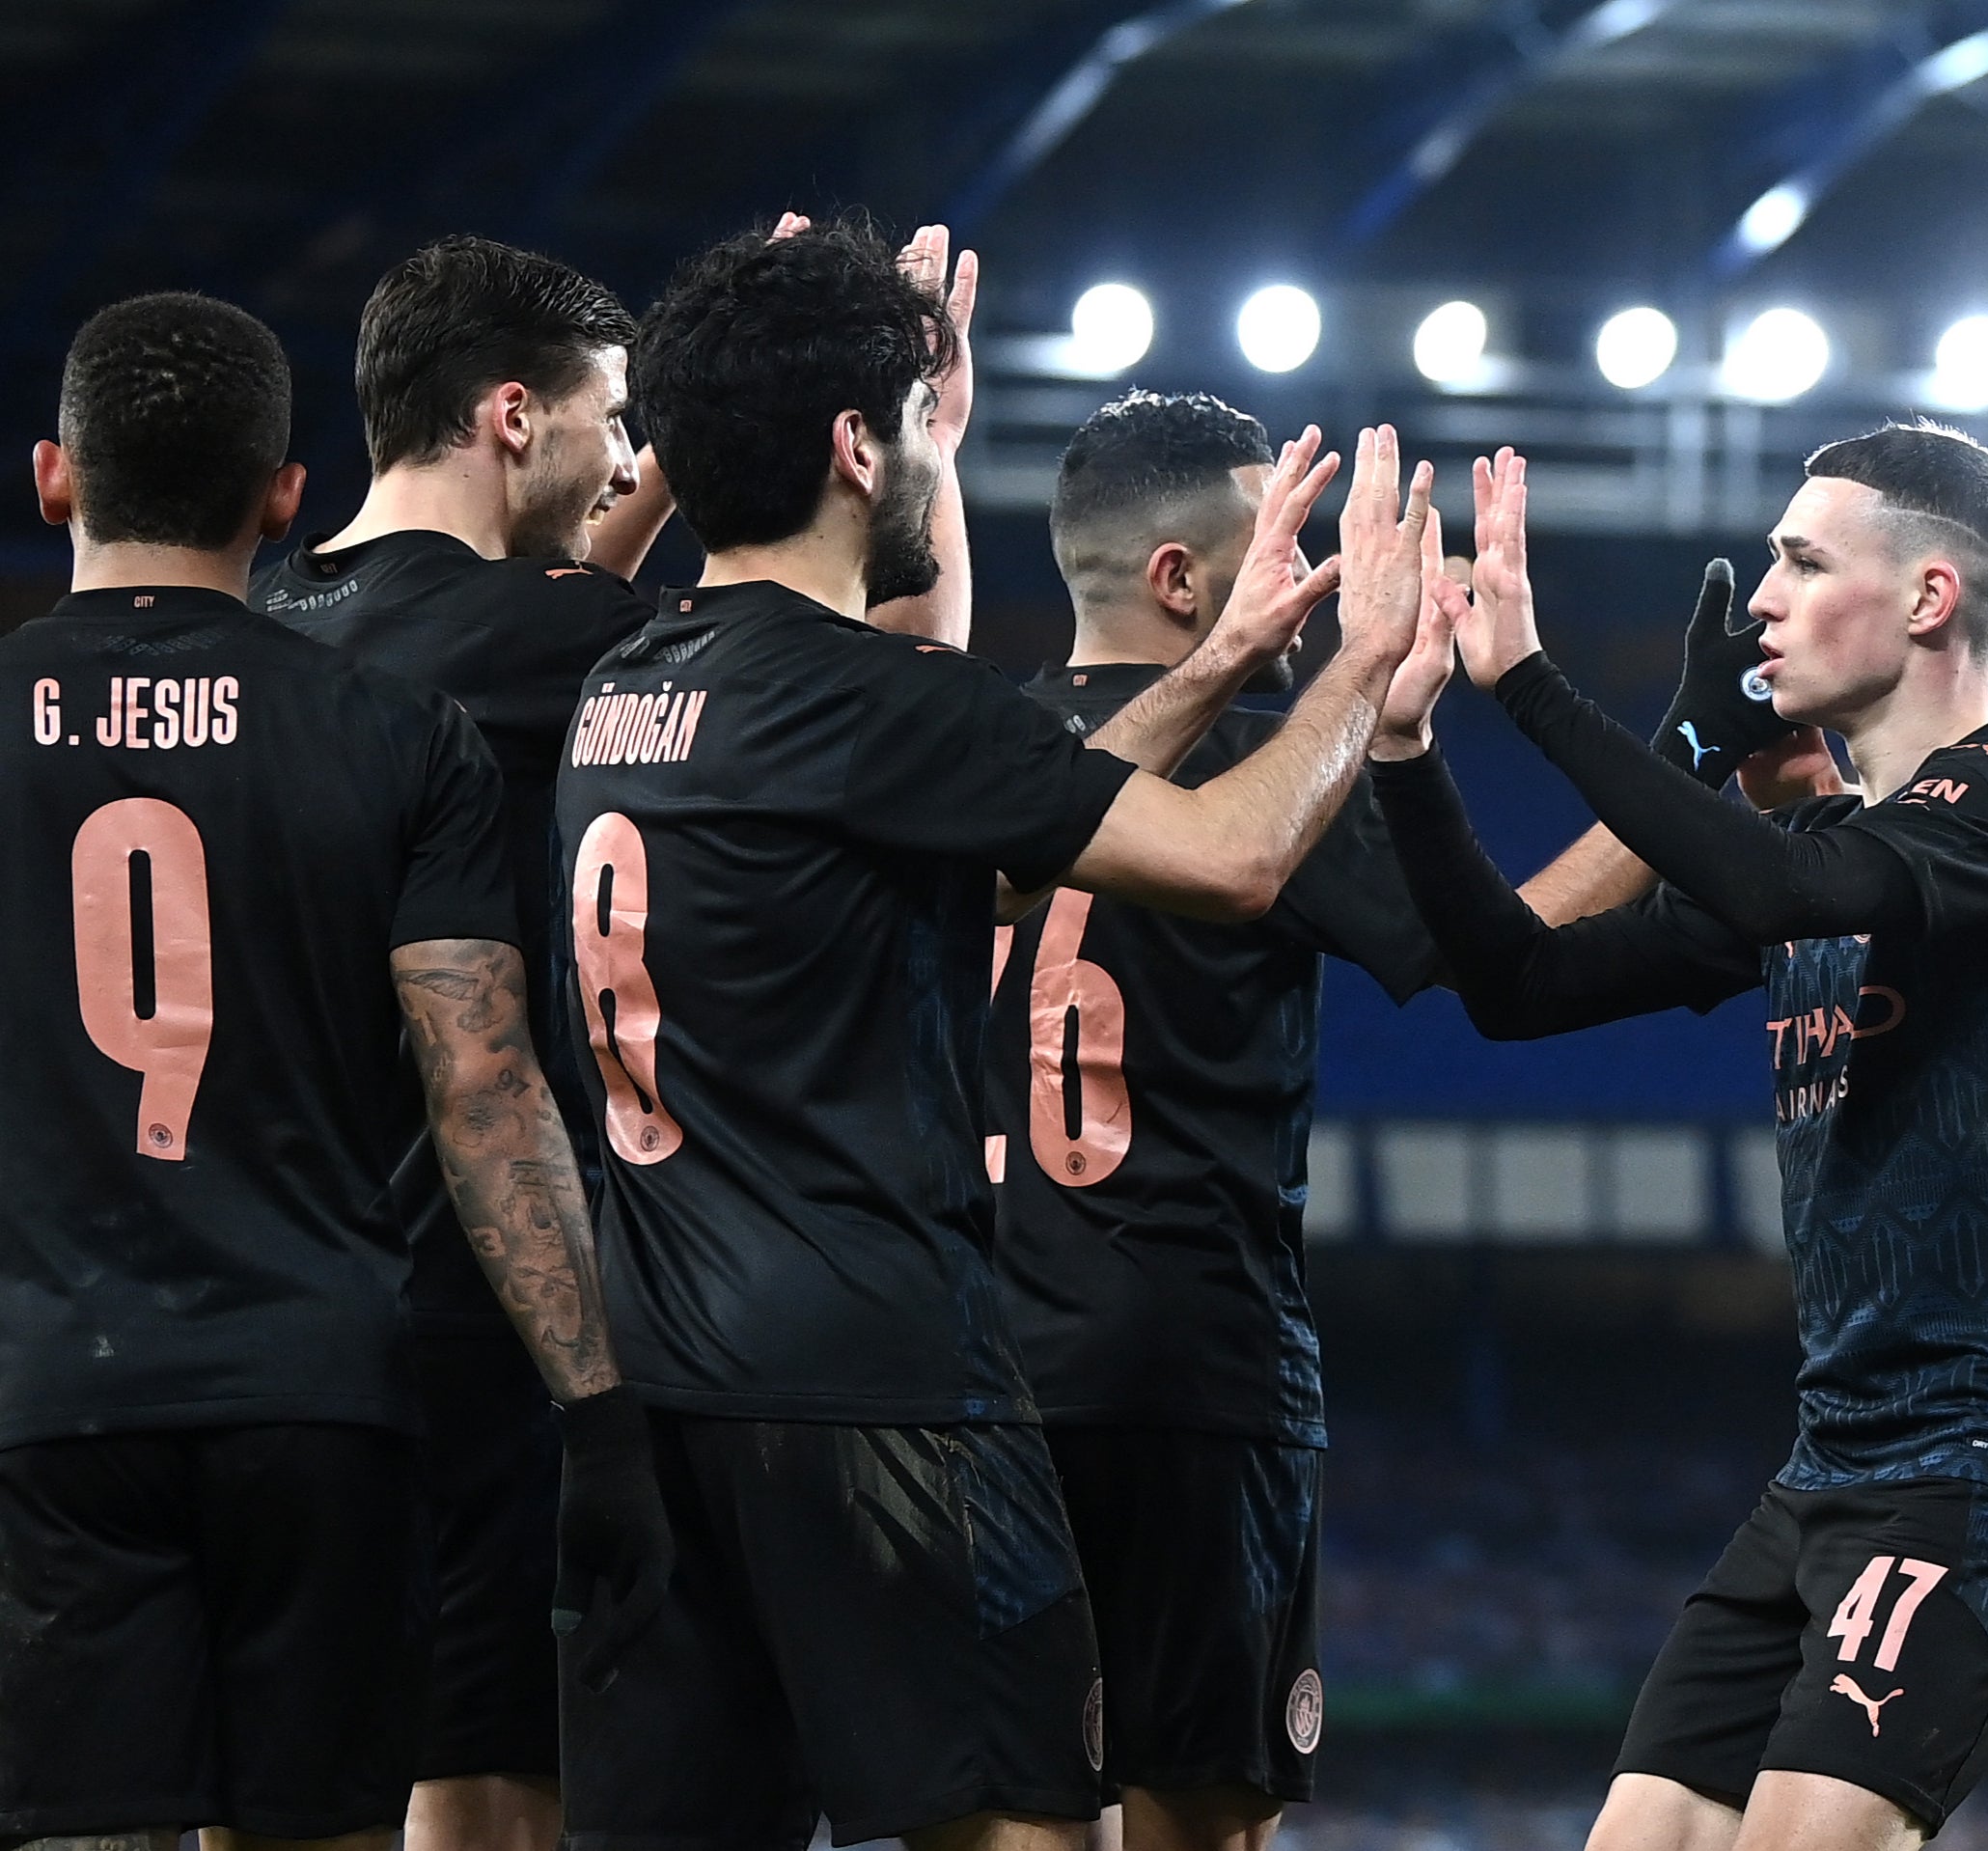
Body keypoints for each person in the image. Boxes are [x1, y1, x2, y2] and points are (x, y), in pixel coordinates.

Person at [552, 214, 1430, 1851]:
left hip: (662, 1381)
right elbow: (1236, 858)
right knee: (1034, 1826)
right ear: (847, 447)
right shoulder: (860, 701)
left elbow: (989, 808)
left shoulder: (629, 683)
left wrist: (1230, 649)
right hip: (885, 1381)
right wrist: (1359, 668)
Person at [1369, 427, 1988, 1850]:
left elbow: (1794, 886)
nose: (1762, 601)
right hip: (1834, 1464)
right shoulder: (1809, 861)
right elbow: (1514, 983)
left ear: (1924, 599)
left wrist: (1538, 689)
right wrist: (1411, 746)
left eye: (1802, 561)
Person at [0, 294, 667, 1850]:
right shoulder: (394, 732)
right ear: (282, 493)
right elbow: (484, 1087)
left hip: (48, 1395)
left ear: (54, 480)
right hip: (324, 1396)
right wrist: (603, 1411)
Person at [987, 389, 1650, 1851]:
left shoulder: (965, 751)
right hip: (1192, 1369)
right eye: (1285, 541)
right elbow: (1513, 952)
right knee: (1201, 1824)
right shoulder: (1270, 766)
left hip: (976, 1376)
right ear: (1180, 579)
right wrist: (1691, 771)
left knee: (1017, 1818)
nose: (1321, 580)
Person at [249, 232, 662, 1851]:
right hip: (472, 1319)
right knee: (491, 1795)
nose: (629, 458)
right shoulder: (552, 640)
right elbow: (827, 667)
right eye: (612, 418)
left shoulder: (271, 622)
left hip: (251, 1316)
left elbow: (519, 595)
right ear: (512, 417)